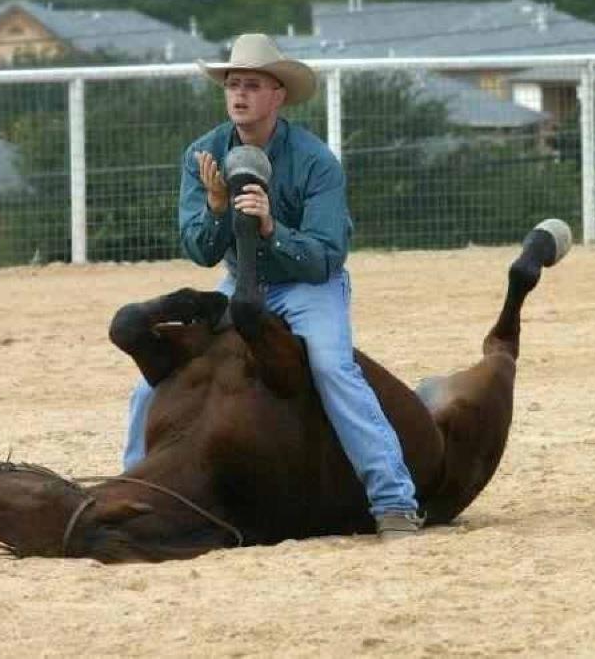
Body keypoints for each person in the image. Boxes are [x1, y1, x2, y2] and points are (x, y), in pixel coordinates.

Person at [123, 33, 423, 537]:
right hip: (238, 281)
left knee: (333, 369)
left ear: (278, 95)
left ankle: (394, 501)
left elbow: (327, 254)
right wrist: (219, 211)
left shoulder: (316, 161)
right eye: (233, 84)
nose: (239, 95)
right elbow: (198, 250)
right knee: (147, 386)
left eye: (253, 85)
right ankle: (135, 489)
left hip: (310, 288)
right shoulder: (202, 154)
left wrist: (270, 230)